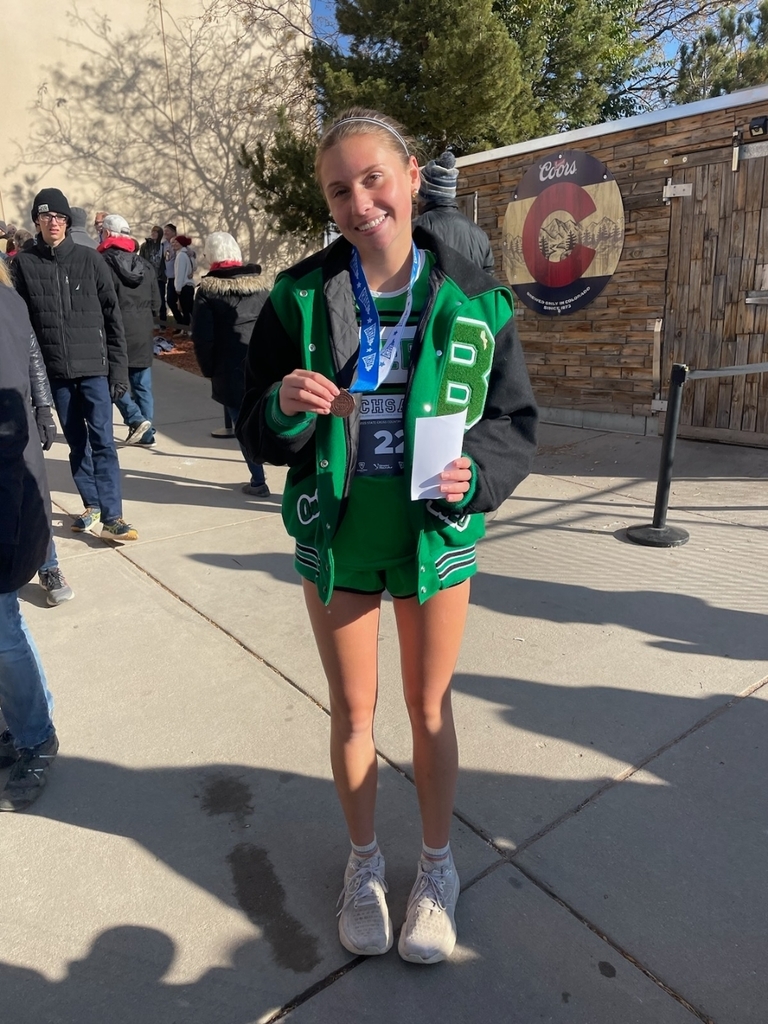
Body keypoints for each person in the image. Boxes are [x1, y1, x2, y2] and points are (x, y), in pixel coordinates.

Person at [237, 108, 538, 964]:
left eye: (373, 178)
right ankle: (364, 866)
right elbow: (257, 424)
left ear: (411, 177)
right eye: (339, 189)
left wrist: (477, 476)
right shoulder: (298, 297)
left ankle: (437, 869)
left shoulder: (475, 296)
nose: (358, 200)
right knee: (355, 710)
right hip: (338, 540)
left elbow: (514, 421)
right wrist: (282, 407)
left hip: (432, 538)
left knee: (429, 706)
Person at [12, 188, 139, 542]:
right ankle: (92, 505)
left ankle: (114, 515)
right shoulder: (24, 264)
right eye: (46, 216)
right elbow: (20, 324)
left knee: (103, 441)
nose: (53, 222)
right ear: (36, 221)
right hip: (56, 372)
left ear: (68, 222)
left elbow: (114, 319)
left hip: (94, 369)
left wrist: (118, 370)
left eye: (59, 217)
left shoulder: (90, 260)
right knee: (77, 443)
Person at [0, 262, 59, 812]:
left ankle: (36, 735)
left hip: (7, 496)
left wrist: (44, 413)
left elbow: (12, 404)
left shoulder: (5, 304)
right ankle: (17, 725)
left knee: (2, 630)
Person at [191, 232, 269, 496]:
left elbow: (203, 338)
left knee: (242, 425)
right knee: (270, 419)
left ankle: (258, 480)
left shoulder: (208, 292)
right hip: (265, 364)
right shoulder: (261, 287)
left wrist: (208, 370)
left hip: (229, 369)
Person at [98, 214, 161, 447]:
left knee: (112, 380)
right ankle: (146, 433)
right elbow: (157, 303)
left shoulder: (100, 263)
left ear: (106, 233)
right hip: (143, 331)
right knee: (142, 385)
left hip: (114, 332)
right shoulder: (145, 264)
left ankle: (135, 418)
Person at [413, 150, 496, 274]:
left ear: (425, 194)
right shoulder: (480, 235)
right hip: (471, 293)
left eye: (418, 193)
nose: (416, 199)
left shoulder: (415, 229)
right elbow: (489, 283)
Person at [171, 234, 195, 332]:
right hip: (189, 286)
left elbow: (179, 273)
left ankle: (187, 330)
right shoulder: (187, 254)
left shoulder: (181, 255)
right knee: (189, 309)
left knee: (186, 310)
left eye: (177, 242)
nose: (174, 244)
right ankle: (187, 330)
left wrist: (178, 288)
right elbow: (195, 266)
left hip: (184, 286)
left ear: (181, 244)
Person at [161, 223, 181, 328]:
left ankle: (186, 324)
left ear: (174, 232)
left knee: (183, 304)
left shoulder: (177, 243)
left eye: (167, 231)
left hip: (178, 277)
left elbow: (188, 252)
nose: (165, 233)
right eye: (164, 231)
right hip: (170, 277)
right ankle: (180, 322)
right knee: (170, 301)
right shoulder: (163, 245)